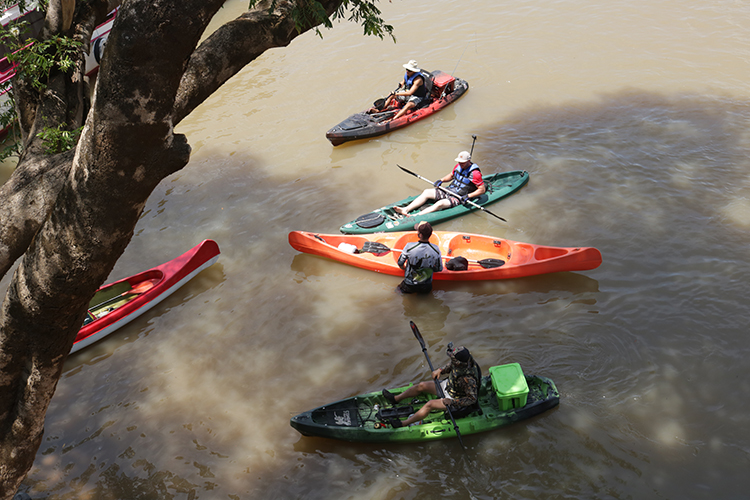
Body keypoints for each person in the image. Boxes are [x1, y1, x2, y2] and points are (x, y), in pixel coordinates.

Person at [381, 344, 479, 428]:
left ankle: (403, 423)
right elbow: (451, 365)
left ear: (458, 362)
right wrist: (440, 370)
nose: (451, 360)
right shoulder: (461, 362)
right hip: (449, 386)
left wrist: (452, 402)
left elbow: (472, 399)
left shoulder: (468, 379)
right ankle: (396, 399)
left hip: (454, 399)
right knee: (421, 385)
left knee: (430, 404)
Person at [395, 151, 486, 217]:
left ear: (468, 161)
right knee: (427, 192)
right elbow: (451, 175)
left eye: (462, 162)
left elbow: (482, 190)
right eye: (459, 161)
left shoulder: (475, 173)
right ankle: (405, 209)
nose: (460, 163)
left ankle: (416, 216)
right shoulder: (458, 166)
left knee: (440, 203)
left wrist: (469, 196)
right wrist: (441, 180)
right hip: (450, 190)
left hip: (459, 197)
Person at [397, 221, 442, 294]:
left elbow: (400, 262)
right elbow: (439, 268)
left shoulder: (409, 246)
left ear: (420, 235)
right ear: (430, 234)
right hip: (426, 285)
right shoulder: (436, 249)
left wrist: (404, 268)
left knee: (398, 292)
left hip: (409, 283)